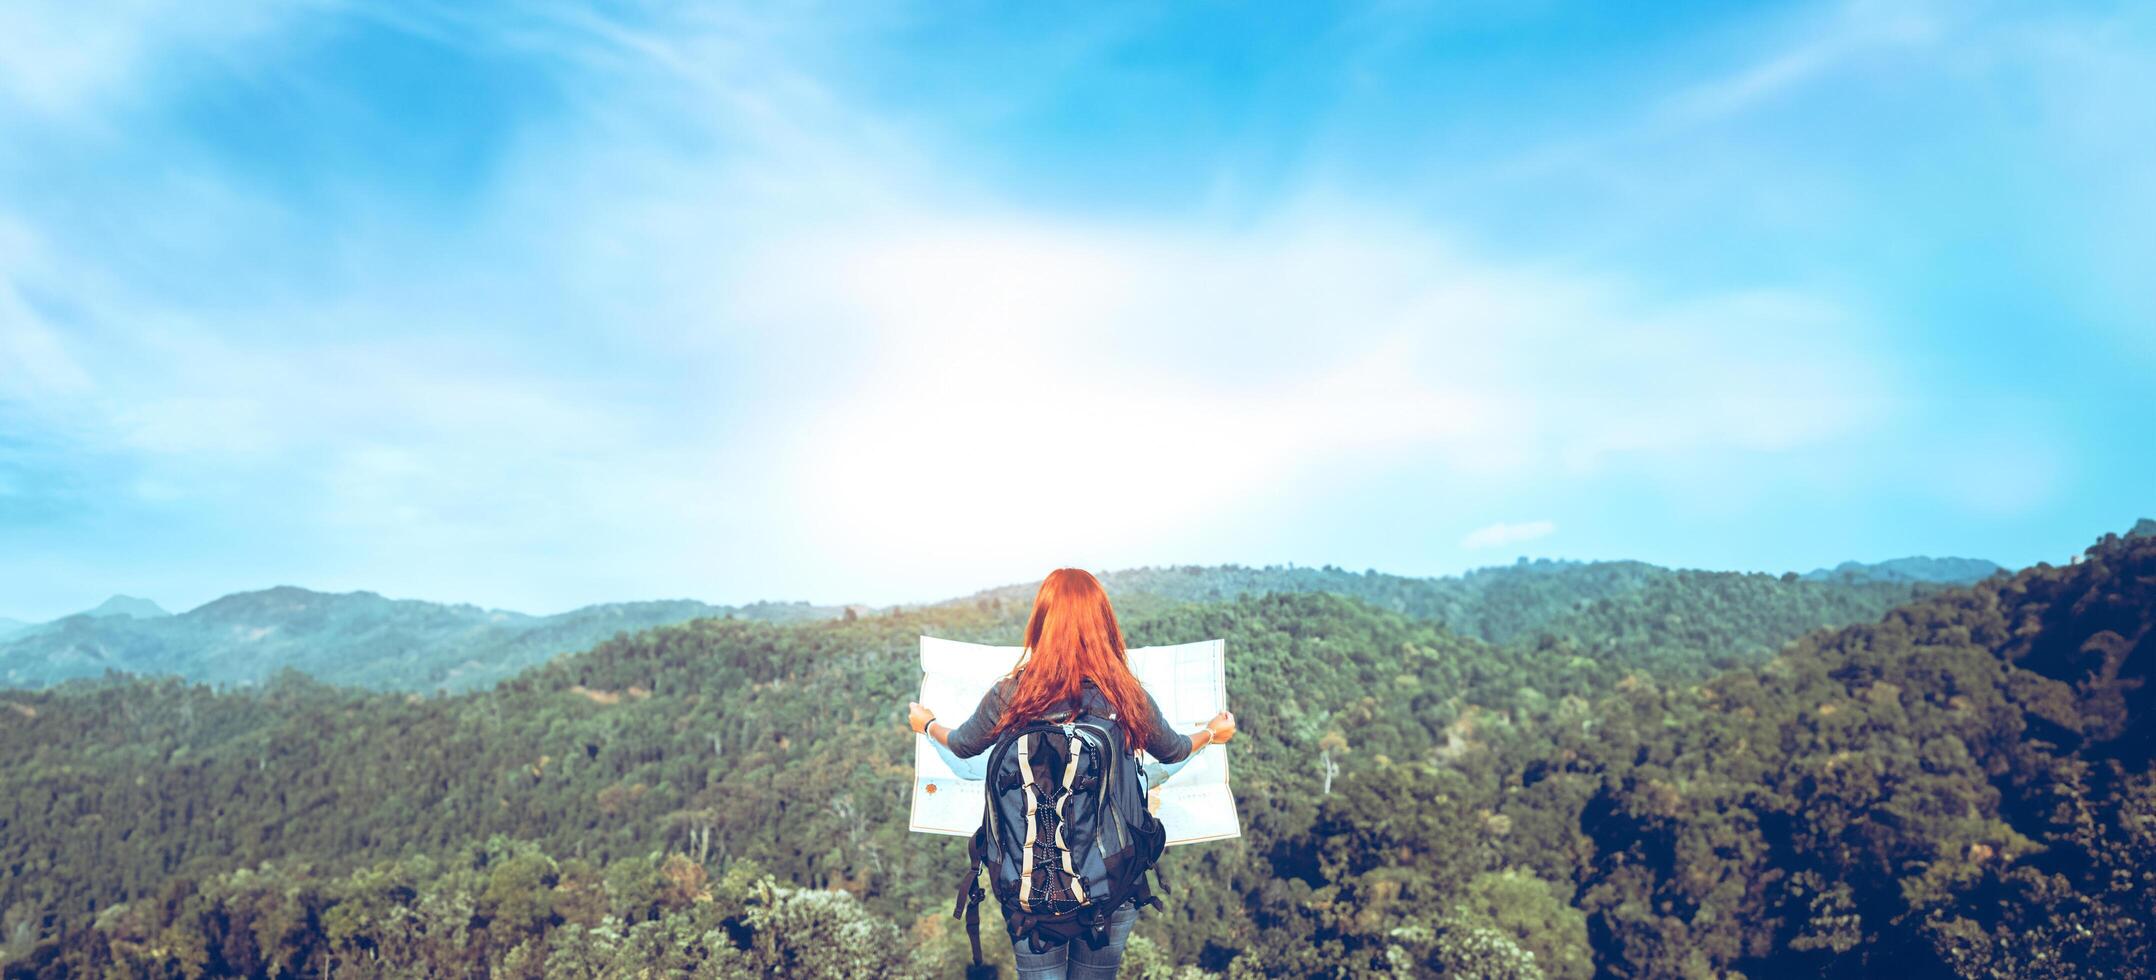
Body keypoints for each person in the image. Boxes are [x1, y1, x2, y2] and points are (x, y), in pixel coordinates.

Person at [908, 567, 1236, 980]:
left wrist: (927, 723)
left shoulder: (1011, 694)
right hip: (1110, 884)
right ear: (1105, 624)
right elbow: (1172, 751)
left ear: (1041, 623)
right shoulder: (1123, 693)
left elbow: (961, 745)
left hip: (1029, 893)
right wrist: (1211, 731)